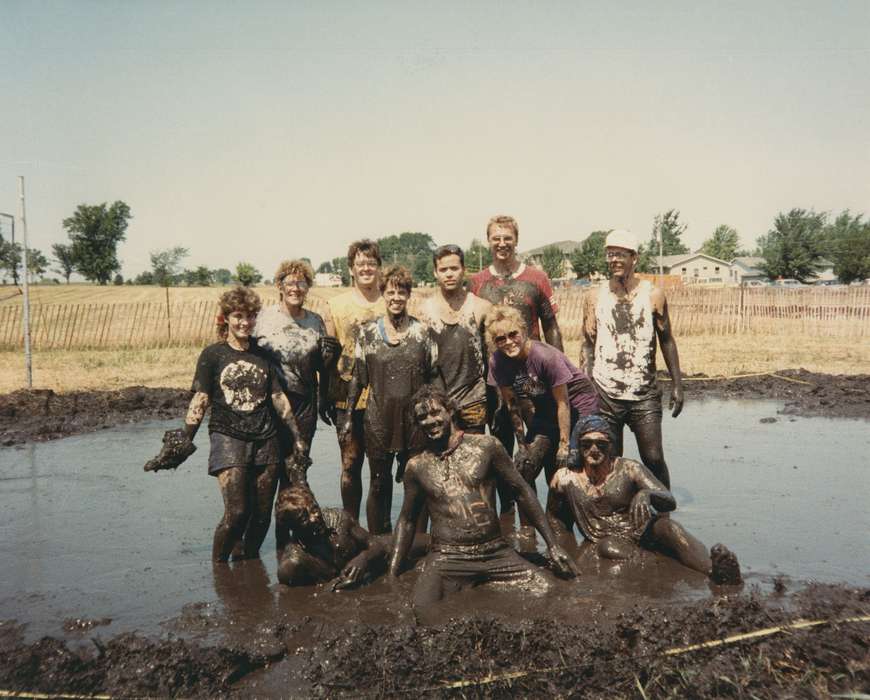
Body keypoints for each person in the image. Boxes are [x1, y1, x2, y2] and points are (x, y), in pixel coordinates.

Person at [144, 286, 309, 562]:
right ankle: (219, 569)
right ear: (226, 318)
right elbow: (202, 397)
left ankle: (247, 567)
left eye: (250, 316)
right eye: (238, 316)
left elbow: (277, 396)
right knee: (237, 513)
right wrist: (186, 437)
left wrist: (296, 435)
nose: (244, 322)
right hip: (228, 437)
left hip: (265, 439)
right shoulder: (213, 355)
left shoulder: (264, 355)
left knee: (260, 517)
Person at [389, 385, 579, 609]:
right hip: (447, 557)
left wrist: (553, 545)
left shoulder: (486, 447)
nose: (430, 421)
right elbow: (407, 520)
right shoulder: (416, 466)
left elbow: (521, 491)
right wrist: (393, 572)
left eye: (435, 413)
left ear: (450, 411)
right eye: (422, 417)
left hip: (495, 552)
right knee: (420, 607)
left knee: (551, 590)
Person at [548, 415, 741, 584]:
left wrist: (647, 494)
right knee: (609, 547)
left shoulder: (629, 468)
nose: (594, 449)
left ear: (611, 447)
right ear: (578, 448)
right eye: (586, 444)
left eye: (601, 444)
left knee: (670, 527)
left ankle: (715, 571)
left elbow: (669, 500)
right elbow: (555, 521)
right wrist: (567, 551)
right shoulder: (565, 479)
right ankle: (665, 568)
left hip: (643, 529)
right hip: (608, 539)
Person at [342, 265, 441, 534]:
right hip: (378, 420)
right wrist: (349, 417)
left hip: (416, 421)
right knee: (378, 482)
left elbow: (434, 377)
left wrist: (440, 415)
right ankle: (379, 540)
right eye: (390, 292)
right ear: (383, 294)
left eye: (401, 292)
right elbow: (357, 379)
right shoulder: (368, 333)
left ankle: (418, 541)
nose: (396, 297)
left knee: (417, 480)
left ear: (409, 295)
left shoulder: (423, 333)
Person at [581, 229, 684, 488]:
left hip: (644, 393)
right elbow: (587, 344)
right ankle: (618, 514)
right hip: (606, 392)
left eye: (620, 254)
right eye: (610, 254)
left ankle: (664, 512)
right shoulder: (595, 296)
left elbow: (667, 340)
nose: (614, 259)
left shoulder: (653, 295)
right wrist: (586, 384)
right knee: (610, 461)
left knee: (653, 457)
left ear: (634, 258)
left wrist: (677, 385)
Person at [468, 215, 563, 473]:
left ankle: (552, 511)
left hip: (533, 378)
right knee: (502, 448)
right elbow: (473, 334)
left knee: (543, 446)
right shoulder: (476, 283)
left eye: (507, 238)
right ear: (488, 241)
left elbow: (551, 326)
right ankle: (508, 511)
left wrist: (558, 373)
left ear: (516, 240)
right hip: (497, 379)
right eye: (496, 238)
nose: (501, 243)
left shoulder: (537, 279)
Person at [485, 305, 598, 511]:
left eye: (513, 334)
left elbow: (563, 402)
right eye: (501, 339)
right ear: (494, 342)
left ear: (523, 331)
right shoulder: (497, 362)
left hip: (577, 404)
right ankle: (530, 527)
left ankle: (570, 518)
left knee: (568, 464)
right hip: (546, 406)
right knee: (524, 466)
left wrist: (565, 445)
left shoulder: (545, 357)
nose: (509, 342)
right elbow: (512, 405)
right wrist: (522, 445)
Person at [253, 259, 339, 480]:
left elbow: (323, 368)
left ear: (308, 288)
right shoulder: (262, 319)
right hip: (267, 405)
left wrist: (332, 357)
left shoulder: (315, 321)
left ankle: (290, 514)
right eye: (289, 282)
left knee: (296, 470)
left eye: (301, 283)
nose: (295, 288)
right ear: (279, 286)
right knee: (266, 472)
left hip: (304, 405)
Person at [320, 240, 386, 519]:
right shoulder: (334, 305)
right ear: (351, 269)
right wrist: (323, 393)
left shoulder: (391, 300)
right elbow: (326, 358)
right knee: (350, 463)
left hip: (383, 396)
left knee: (381, 467)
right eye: (361, 263)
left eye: (371, 263)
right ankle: (351, 526)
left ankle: (380, 532)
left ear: (379, 268)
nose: (366, 268)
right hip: (345, 396)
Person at [417, 244, 491, 434]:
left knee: (474, 457)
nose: (449, 274)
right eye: (443, 269)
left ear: (463, 270)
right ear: (435, 272)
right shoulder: (424, 311)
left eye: (454, 268)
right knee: (442, 458)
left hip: (474, 398)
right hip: (437, 401)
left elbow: (493, 358)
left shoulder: (481, 307)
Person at [275, 483, 394, 590]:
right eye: (304, 518)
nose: (315, 517)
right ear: (292, 528)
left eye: (315, 508)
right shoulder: (292, 565)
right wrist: (329, 589)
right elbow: (298, 602)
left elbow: (377, 545)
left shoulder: (339, 519)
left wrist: (363, 559)